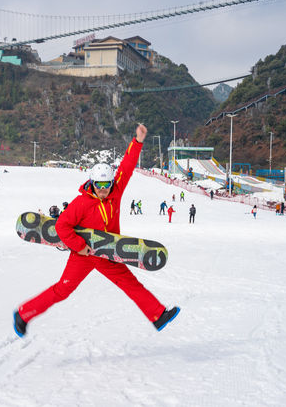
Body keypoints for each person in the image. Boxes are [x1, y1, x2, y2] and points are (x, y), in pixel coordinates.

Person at [13, 124, 179, 337]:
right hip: (83, 255)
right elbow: (62, 226)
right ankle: (23, 314)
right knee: (63, 290)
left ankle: (158, 316)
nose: (103, 189)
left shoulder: (115, 193)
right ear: (92, 182)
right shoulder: (81, 203)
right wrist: (79, 247)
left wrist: (137, 141)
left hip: (109, 251)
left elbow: (126, 167)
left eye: (107, 184)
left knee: (130, 284)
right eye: (99, 184)